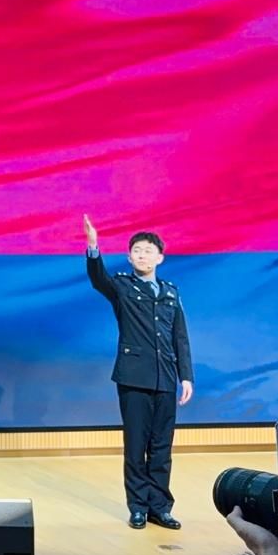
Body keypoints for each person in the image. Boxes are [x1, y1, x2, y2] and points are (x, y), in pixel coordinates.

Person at [83, 214, 193, 531]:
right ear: (130, 257)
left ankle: (160, 507)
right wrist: (93, 245)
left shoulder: (171, 292)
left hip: (166, 378)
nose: (142, 255)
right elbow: (98, 279)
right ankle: (138, 508)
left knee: (161, 447)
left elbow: (180, 337)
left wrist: (186, 376)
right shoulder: (122, 287)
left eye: (148, 251)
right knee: (136, 446)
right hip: (133, 377)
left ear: (160, 257)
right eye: (137, 251)